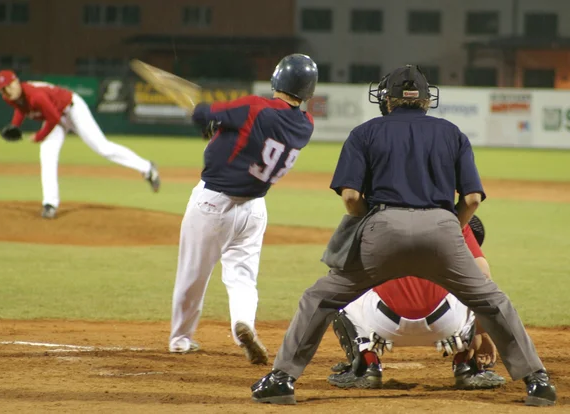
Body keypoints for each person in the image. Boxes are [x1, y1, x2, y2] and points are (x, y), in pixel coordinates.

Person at [251, 65, 556, 406]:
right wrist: (449, 226)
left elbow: (350, 197)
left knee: (320, 299)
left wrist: (370, 222)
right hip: (442, 229)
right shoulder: (452, 133)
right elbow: (471, 199)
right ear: (426, 100)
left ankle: (282, 380)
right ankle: (537, 381)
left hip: (382, 229)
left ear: (387, 100)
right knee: (491, 301)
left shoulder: (365, 133)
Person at [169, 54, 318, 365]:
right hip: (254, 209)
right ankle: (244, 324)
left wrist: (204, 116)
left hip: (213, 204)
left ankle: (181, 340)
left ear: (277, 79)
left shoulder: (256, 105)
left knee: (192, 275)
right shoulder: (306, 124)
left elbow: (204, 113)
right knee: (242, 276)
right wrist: (221, 129)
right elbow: (249, 132)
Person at [328, 217, 505, 390]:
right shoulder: (453, 220)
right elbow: (484, 279)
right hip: (447, 326)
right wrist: (480, 334)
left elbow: (342, 272)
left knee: (338, 288)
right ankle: (466, 366)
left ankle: (366, 366)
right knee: (471, 286)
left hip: (382, 324)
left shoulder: (371, 219)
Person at [0, 70, 160, 219]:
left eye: (8, 86)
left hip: (72, 109)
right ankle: (50, 204)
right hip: (56, 116)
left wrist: (39, 136)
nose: (7, 91)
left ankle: (147, 167)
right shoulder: (9, 97)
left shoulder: (36, 95)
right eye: (2, 89)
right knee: (47, 154)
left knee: (102, 147)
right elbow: (21, 108)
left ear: (16, 81)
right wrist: (15, 125)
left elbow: (53, 119)